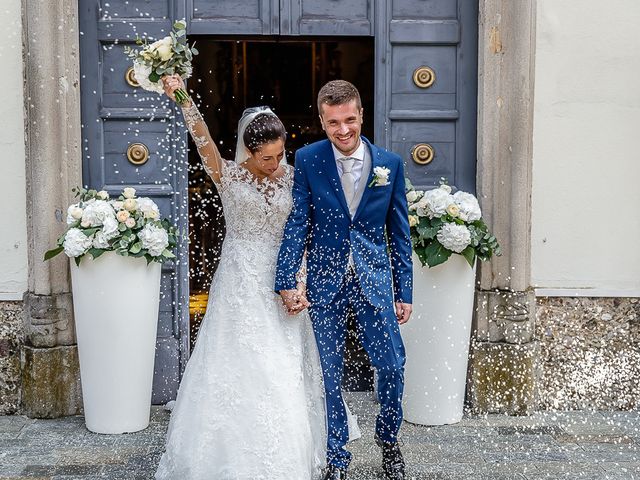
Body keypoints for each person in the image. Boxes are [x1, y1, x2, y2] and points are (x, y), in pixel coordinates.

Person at [154, 74, 327, 479]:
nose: (275, 164)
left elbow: (299, 232)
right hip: (239, 279)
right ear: (248, 151)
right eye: (267, 157)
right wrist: (182, 97)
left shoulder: (293, 177)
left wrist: (299, 283)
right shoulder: (227, 175)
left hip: (284, 278)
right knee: (238, 358)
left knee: (283, 360)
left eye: (280, 155)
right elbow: (202, 139)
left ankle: (289, 445)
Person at [275, 80, 413, 480]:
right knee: (328, 372)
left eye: (350, 119)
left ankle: (388, 439)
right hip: (324, 279)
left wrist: (404, 290)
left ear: (361, 115)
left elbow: (399, 233)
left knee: (391, 365)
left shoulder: (389, 163)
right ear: (322, 120)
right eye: (333, 122)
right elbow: (298, 222)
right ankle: (337, 458)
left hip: (374, 279)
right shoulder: (308, 159)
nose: (343, 129)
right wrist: (286, 278)